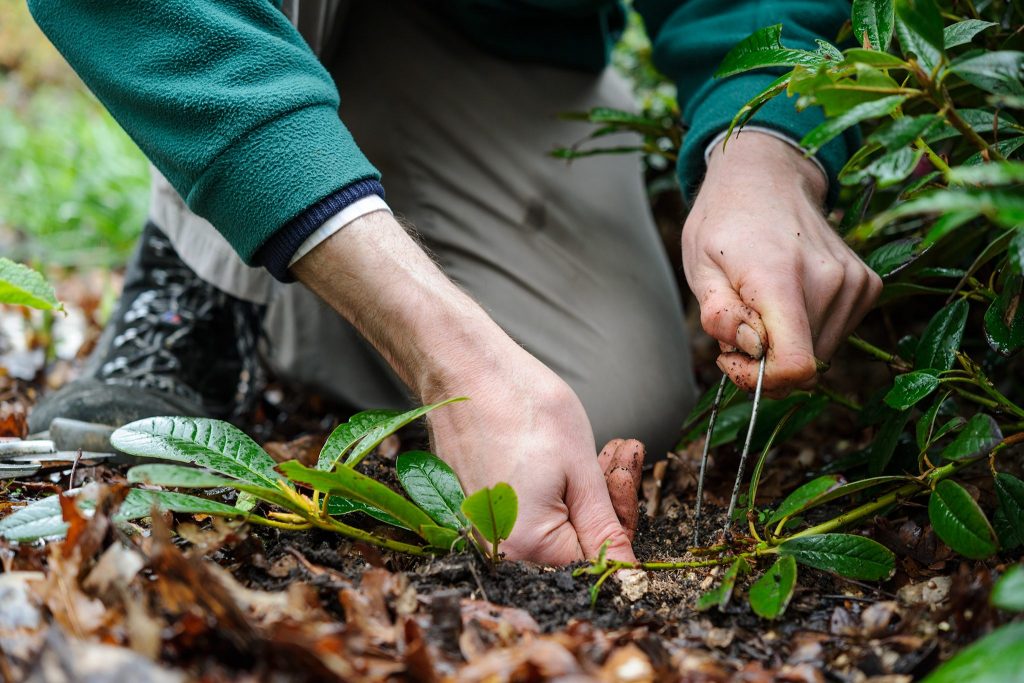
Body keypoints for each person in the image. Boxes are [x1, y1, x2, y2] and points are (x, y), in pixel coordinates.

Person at [26, 0, 881, 566]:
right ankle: (201, 271)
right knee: (505, 415)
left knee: (606, 412)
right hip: (242, 18)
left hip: (490, 38)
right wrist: (455, 363)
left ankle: (302, 234)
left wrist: (764, 143)